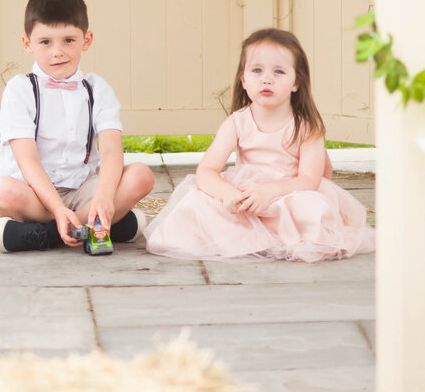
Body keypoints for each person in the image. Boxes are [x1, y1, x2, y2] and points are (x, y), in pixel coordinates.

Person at [144, 27, 374, 262]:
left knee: (313, 207)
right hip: (247, 197)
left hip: (289, 193)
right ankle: (253, 238)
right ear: (244, 80)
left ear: (296, 82)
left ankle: (286, 239)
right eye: (257, 70)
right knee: (198, 202)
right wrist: (228, 194)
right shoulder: (237, 122)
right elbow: (206, 171)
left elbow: (310, 180)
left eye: (279, 71)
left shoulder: (307, 127)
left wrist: (269, 192)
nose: (267, 78)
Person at [0, 0, 155, 253]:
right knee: (3, 192)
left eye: (69, 40)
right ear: (27, 43)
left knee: (141, 176)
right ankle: (100, 226)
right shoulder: (21, 89)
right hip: (33, 193)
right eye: (45, 42)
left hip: (81, 190)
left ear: (86, 40)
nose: (58, 52)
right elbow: (27, 159)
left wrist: (103, 197)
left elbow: (112, 149)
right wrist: (56, 207)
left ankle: (52, 233)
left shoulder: (96, 88)